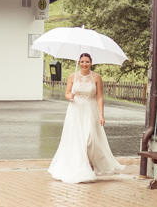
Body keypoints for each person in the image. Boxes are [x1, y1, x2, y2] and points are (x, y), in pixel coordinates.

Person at [48, 52, 123, 183]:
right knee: (76, 140)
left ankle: (92, 162)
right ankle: (82, 167)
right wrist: (69, 96)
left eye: (87, 62)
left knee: (90, 140)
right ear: (79, 62)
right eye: (82, 61)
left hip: (90, 110)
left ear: (91, 63)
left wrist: (101, 115)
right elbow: (67, 93)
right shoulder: (72, 76)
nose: (84, 64)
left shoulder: (96, 77)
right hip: (75, 111)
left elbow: (99, 97)